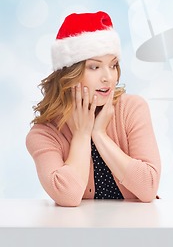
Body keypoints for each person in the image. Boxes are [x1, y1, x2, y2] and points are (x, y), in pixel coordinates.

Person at [26, 11, 161, 207]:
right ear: (69, 73)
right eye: (94, 67)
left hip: (136, 229)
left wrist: (99, 134)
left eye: (113, 65)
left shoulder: (131, 109)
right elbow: (68, 196)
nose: (108, 77)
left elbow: (148, 188)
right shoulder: (44, 134)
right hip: (80, 234)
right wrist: (82, 134)